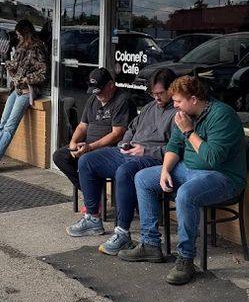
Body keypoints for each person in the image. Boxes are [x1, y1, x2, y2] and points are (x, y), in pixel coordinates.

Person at [120, 75, 248, 285]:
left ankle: (186, 259)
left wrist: (189, 131)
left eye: (178, 101)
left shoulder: (222, 115)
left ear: (194, 99)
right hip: (187, 169)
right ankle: (150, 244)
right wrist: (165, 170)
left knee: (186, 194)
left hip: (223, 177)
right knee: (143, 178)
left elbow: (213, 158)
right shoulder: (183, 115)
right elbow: (173, 146)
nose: (175, 105)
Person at [66, 68, 177, 252]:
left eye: (160, 93)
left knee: (124, 172)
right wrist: (125, 144)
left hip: (152, 158)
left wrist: (145, 150)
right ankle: (93, 218)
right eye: (153, 93)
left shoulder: (178, 113)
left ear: (171, 90)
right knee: (87, 160)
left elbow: (176, 148)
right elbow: (131, 129)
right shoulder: (150, 107)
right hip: (129, 151)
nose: (156, 97)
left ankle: (122, 233)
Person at [0, 20, 48, 176]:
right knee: (2, 125)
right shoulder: (20, 48)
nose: (17, 38)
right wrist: (9, 65)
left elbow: (43, 73)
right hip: (16, 89)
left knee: (8, 128)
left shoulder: (38, 48)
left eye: (19, 34)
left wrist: (25, 79)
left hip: (26, 91)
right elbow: (17, 70)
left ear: (25, 33)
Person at [52, 67, 133, 193]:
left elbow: (117, 134)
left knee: (87, 160)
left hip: (108, 148)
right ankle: (92, 192)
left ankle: (92, 196)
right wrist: (74, 143)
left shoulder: (122, 100)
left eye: (100, 91)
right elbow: (82, 126)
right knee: (59, 156)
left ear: (110, 85)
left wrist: (90, 147)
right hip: (88, 145)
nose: (98, 95)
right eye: (95, 92)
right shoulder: (93, 99)